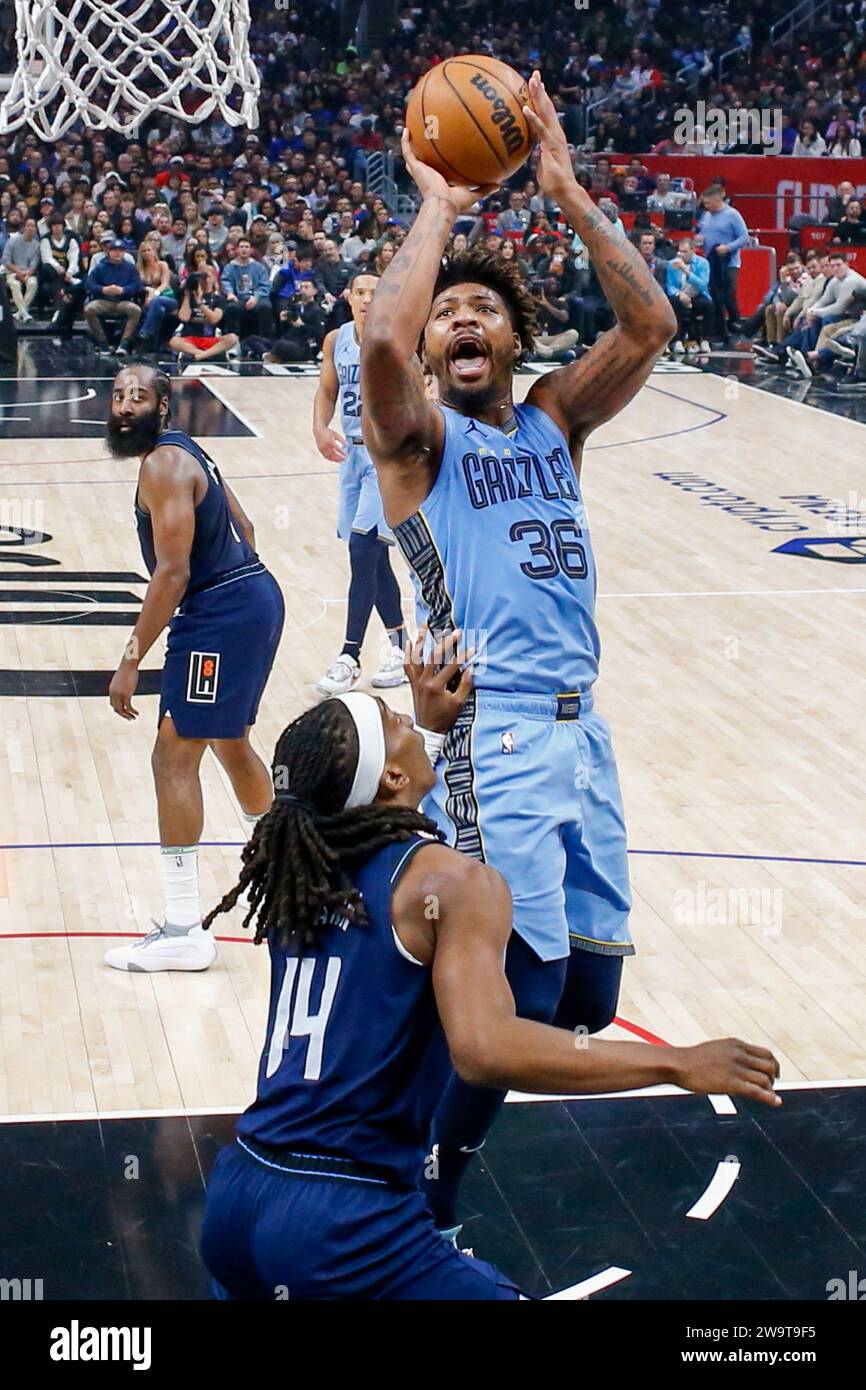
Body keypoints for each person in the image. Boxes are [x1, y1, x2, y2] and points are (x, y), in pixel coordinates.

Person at [199, 658, 781, 1301]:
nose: (410, 723)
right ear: (391, 774)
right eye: (398, 723)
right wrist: (674, 1063)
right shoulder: (454, 882)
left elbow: (372, 815)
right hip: (343, 1220)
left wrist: (430, 734)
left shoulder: (297, 872)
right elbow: (486, 1050)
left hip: (239, 1193)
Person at [359, 71, 677, 1239]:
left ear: (512, 334)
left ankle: (406, 1055)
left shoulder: (554, 419)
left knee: (588, 987)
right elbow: (380, 337)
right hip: (489, 734)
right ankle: (420, 1202)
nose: (458, 323)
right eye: (447, 314)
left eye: (480, 310)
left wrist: (566, 189)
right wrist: (440, 203)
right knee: (520, 993)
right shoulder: (415, 444)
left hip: (579, 730)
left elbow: (649, 324)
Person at [103, 364, 284, 972]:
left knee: (173, 756)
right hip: (248, 597)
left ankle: (183, 928)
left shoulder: (161, 466)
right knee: (229, 741)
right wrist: (239, 596)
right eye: (119, 396)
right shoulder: (187, 451)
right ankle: (290, 873)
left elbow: (173, 573)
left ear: (162, 406)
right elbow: (248, 529)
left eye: (139, 397)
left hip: (220, 614)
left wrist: (131, 660)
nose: (126, 406)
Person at [313, 270, 407, 697]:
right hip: (350, 455)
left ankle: (349, 655)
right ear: (349, 297)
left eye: (376, 292)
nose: (368, 299)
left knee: (361, 548)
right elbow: (327, 390)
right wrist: (319, 427)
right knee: (374, 558)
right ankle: (402, 647)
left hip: (383, 457)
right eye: (362, 292)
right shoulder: (337, 340)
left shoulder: (394, 337)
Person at [696, 185, 750, 342]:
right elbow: (702, 232)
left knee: (728, 294)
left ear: (717, 200)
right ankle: (719, 330)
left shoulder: (733, 215)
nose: (705, 206)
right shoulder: (706, 216)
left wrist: (728, 247)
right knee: (715, 296)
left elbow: (744, 237)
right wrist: (699, 239)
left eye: (708, 203)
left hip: (729, 262)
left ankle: (735, 323)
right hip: (710, 262)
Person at [84, 237, 143, 356]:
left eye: (120, 250)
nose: (117, 253)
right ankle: (102, 342)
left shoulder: (130, 268)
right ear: (109, 252)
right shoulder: (100, 267)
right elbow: (89, 284)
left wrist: (123, 290)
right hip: (104, 300)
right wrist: (103, 289)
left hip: (123, 301)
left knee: (136, 310)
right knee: (89, 309)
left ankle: (124, 343)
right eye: (114, 250)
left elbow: (137, 286)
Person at [167, 272, 239, 365]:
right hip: (190, 339)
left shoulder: (218, 299)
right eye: (202, 278)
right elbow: (184, 318)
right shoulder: (187, 297)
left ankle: (199, 356)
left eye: (208, 277)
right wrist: (187, 295)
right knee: (174, 341)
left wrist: (200, 304)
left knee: (232, 338)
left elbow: (214, 319)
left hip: (210, 339)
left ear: (213, 279)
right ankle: (206, 355)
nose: (205, 280)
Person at [664, 238, 712, 354]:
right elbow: (669, 286)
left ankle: (705, 340)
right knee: (673, 303)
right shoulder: (671, 264)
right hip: (680, 294)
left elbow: (703, 285)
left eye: (685, 252)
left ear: (692, 251)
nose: (681, 254)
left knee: (708, 305)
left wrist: (686, 270)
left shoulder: (703, 263)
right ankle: (678, 340)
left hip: (697, 295)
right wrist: (680, 294)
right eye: (680, 251)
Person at [1, 214, 41, 323]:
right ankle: (24, 313)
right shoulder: (12, 241)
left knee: (33, 283)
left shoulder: (37, 245)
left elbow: (34, 264)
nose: (31, 228)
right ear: (24, 228)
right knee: (15, 285)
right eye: (29, 226)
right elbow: (6, 260)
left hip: (28, 273)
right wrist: (19, 272)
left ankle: (20, 313)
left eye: (33, 226)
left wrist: (26, 274)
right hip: (13, 272)